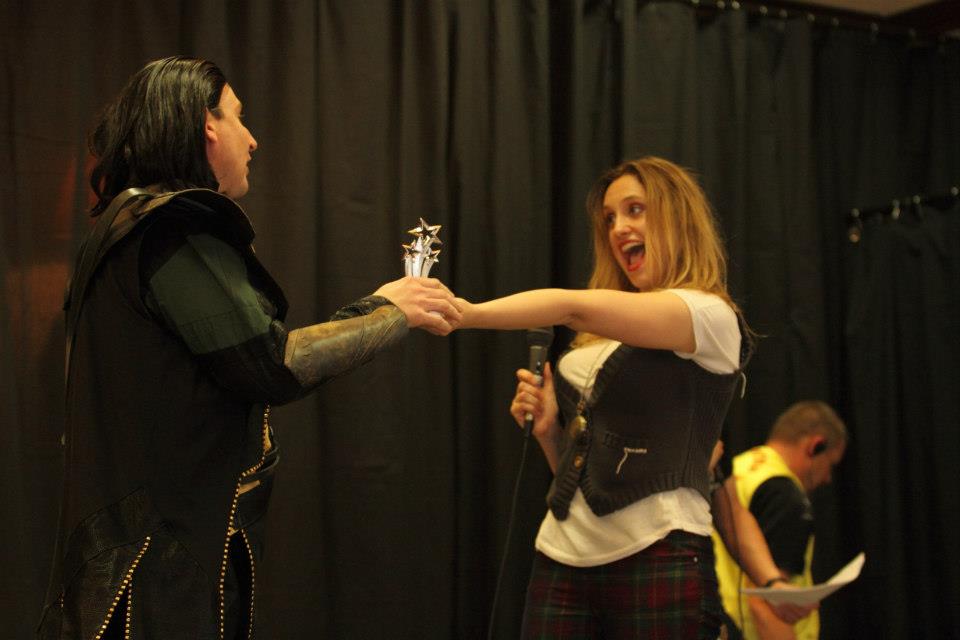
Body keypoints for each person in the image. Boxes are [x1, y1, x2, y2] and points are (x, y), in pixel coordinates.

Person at [38, 56, 461, 639]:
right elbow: (272, 364)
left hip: (148, 562)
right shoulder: (171, 230)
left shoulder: (126, 227)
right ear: (207, 127)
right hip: (157, 576)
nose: (253, 138)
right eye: (238, 116)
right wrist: (389, 311)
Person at [459, 156, 767, 638]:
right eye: (609, 218)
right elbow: (584, 467)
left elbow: (571, 307)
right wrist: (549, 432)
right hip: (562, 555)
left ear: (677, 218)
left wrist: (464, 314)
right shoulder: (601, 335)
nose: (619, 228)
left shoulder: (709, 315)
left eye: (635, 210)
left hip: (658, 551)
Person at [712, 401, 848, 640]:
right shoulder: (786, 496)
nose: (828, 478)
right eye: (830, 465)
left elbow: (732, 518)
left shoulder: (740, 466)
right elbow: (766, 604)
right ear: (815, 446)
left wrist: (770, 585)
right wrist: (772, 589)